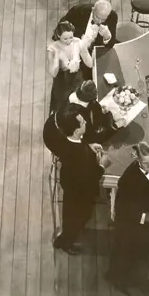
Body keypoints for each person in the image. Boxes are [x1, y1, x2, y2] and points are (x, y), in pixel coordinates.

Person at [107, 141, 149, 291]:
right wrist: (144, 216)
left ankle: (137, 265)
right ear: (137, 159)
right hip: (131, 223)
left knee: (143, 248)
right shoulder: (128, 179)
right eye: (146, 163)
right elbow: (121, 209)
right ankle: (116, 278)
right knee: (124, 251)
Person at [53, 105, 106, 255]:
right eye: (83, 123)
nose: (86, 124)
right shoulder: (80, 157)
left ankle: (63, 239)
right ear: (76, 131)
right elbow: (90, 178)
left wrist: (88, 147)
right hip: (79, 195)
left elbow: (77, 147)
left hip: (70, 188)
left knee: (70, 218)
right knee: (77, 220)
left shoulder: (68, 141)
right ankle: (66, 244)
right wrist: (102, 166)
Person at [59, 0, 118, 79]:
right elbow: (62, 28)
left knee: (95, 75)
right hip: (75, 47)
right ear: (93, 9)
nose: (100, 22)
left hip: (94, 52)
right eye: (97, 17)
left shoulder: (112, 17)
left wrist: (107, 36)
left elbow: (111, 44)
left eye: (103, 19)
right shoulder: (78, 11)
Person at [47, 21, 93, 113]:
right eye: (65, 39)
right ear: (58, 36)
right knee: (62, 107)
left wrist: (84, 49)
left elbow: (90, 64)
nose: (69, 41)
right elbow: (53, 73)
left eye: (71, 37)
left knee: (80, 103)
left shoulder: (77, 42)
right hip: (61, 78)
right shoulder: (52, 48)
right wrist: (56, 56)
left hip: (77, 76)